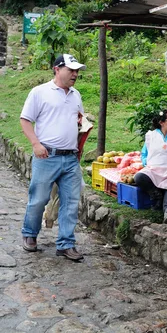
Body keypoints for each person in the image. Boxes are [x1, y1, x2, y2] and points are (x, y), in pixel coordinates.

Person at [20, 53, 86, 261]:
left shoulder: (76, 95)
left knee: (71, 202)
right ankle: (30, 234)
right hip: (46, 156)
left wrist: (80, 138)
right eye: (71, 70)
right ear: (57, 69)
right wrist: (36, 144)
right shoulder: (40, 92)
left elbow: (79, 121)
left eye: (76, 71)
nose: (75, 74)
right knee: (39, 199)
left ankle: (66, 244)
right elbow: (25, 120)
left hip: (70, 158)